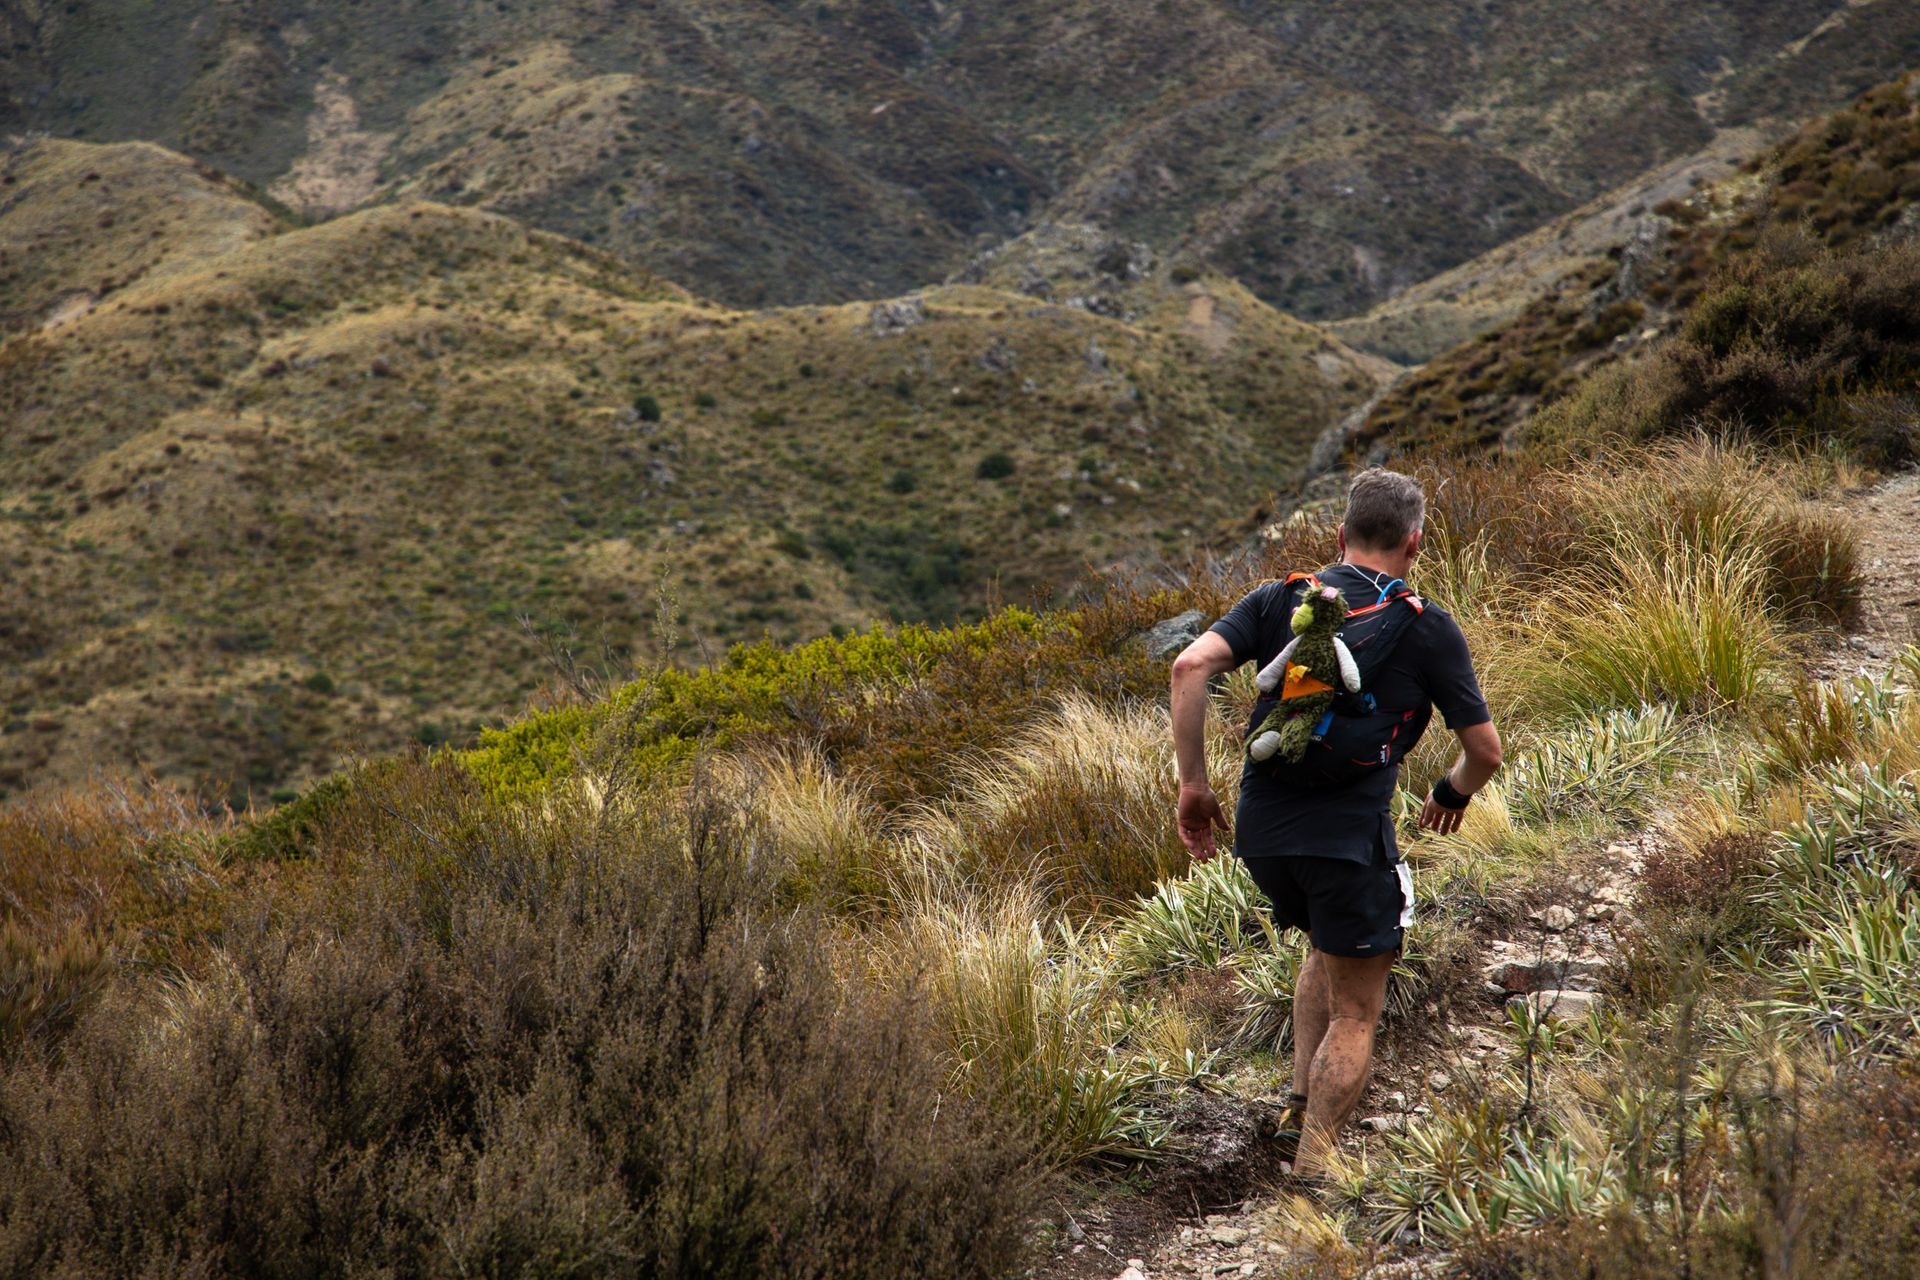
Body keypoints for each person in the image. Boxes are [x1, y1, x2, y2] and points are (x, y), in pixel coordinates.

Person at [1167, 467, 1502, 1181]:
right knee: (1357, 1008)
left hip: (1263, 836)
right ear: (1414, 544)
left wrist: (1193, 787)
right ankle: (1314, 1172)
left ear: (1338, 536)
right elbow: (1485, 752)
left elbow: (1189, 666)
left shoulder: (1283, 598)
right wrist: (1450, 790)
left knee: (1324, 944)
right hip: (1348, 842)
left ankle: (1296, 1104)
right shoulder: (1428, 626)